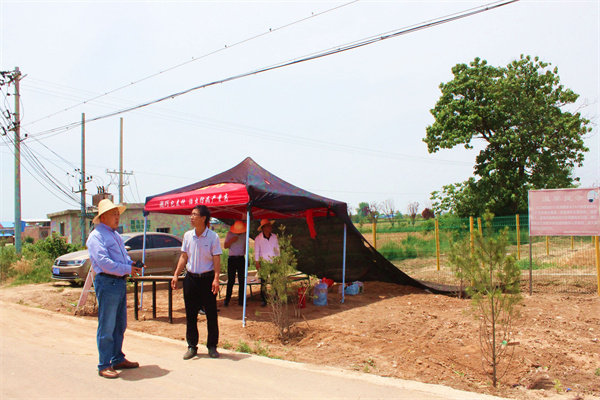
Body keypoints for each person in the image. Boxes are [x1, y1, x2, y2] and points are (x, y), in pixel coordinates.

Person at [87, 199, 145, 379]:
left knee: (120, 324)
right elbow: (104, 263)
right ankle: (104, 364)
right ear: (102, 217)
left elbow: (123, 258)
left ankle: (117, 358)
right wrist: (127, 269)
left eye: (118, 213)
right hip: (107, 282)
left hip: (118, 282)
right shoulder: (96, 237)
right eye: (113, 214)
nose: (117, 217)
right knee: (107, 326)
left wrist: (132, 264)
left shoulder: (115, 235)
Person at [171, 205, 222, 360]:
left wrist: (216, 279)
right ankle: (192, 346)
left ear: (203, 218)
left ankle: (212, 346)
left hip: (207, 279)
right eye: (191, 214)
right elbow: (184, 256)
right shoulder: (187, 236)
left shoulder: (213, 237)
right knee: (191, 315)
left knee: (211, 314)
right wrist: (176, 275)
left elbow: (216, 258)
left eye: (194, 214)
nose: (191, 217)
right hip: (191, 279)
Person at [254, 218, 280, 307]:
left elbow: (277, 249)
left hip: (274, 262)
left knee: (274, 281)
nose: (270, 227)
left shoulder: (275, 237)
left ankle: (275, 298)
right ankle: (264, 300)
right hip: (264, 263)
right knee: (264, 283)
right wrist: (257, 262)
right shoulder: (258, 239)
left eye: (270, 226)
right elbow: (256, 251)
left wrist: (278, 259)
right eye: (268, 226)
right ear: (263, 228)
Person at [223, 220, 247, 307]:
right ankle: (227, 299)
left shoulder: (245, 235)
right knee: (231, 280)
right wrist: (232, 240)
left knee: (242, 280)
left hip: (241, 258)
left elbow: (246, 246)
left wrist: (247, 258)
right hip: (232, 258)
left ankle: (241, 300)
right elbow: (225, 246)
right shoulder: (230, 234)